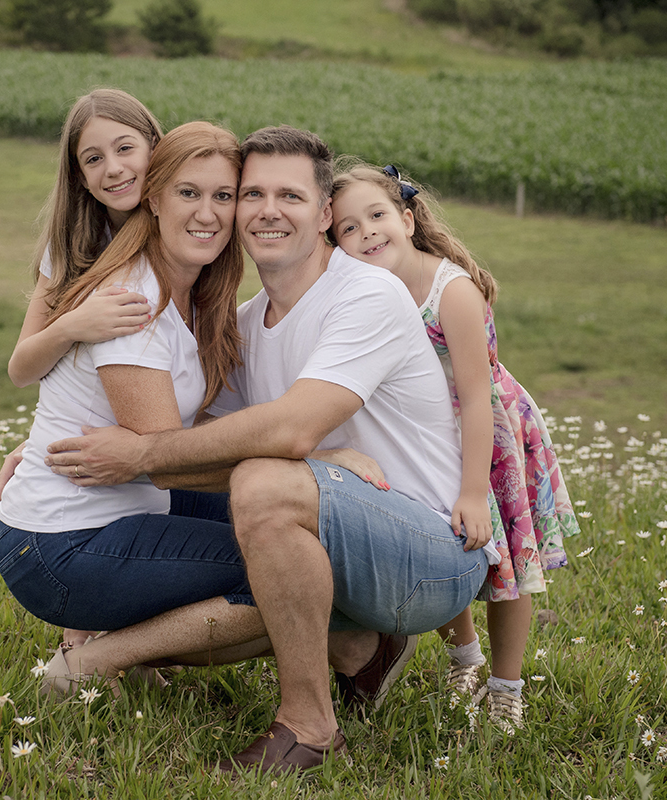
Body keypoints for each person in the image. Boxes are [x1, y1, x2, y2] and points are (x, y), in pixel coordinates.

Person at [43, 126, 490, 774]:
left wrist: (141, 456)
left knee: (258, 481)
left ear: (325, 214)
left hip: (433, 553)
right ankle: (358, 647)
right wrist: (53, 453)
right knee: (181, 495)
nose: (268, 210)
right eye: (252, 194)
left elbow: (287, 432)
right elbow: (190, 440)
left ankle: (309, 726)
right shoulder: (250, 322)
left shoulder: (366, 294)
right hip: (342, 532)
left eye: (290, 195)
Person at [0, 121, 270, 690]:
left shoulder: (197, 292)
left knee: (279, 527)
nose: (208, 213)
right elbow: (171, 458)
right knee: (287, 572)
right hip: (61, 547)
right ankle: (95, 661)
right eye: (189, 194)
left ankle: (127, 647)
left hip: (126, 510)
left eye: (224, 196)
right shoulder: (131, 300)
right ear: (155, 198)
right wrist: (313, 471)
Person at [329, 162, 581, 729]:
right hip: (424, 438)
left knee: (505, 567)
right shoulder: (362, 290)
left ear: (408, 217)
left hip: (487, 439)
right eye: (347, 228)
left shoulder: (451, 290)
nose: (366, 232)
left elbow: (476, 398)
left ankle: (506, 688)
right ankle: (463, 658)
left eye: (377, 215)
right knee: (449, 542)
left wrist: (472, 488)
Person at [2, 88, 162, 650]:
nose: (114, 169)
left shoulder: (184, 230)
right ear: (79, 176)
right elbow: (22, 367)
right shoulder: (74, 246)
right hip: (84, 471)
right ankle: (85, 643)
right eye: (93, 159)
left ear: (154, 147)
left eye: (125, 148)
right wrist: (74, 323)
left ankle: (119, 642)